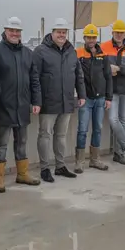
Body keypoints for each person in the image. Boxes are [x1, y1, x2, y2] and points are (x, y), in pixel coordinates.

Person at [0, 16, 42, 192]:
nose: (15, 33)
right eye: (12, 30)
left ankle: (22, 174)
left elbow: (34, 79)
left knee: (22, 142)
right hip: (4, 105)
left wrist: (36, 100)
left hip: (23, 105)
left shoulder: (27, 53)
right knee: (2, 142)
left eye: (17, 31)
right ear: (6, 31)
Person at [33, 18, 86, 183]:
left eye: (64, 32)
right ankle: (44, 168)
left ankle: (60, 166)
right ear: (52, 33)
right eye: (59, 32)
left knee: (61, 136)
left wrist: (82, 95)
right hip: (48, 102)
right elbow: (34, 77)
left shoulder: (72, 51)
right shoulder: (40, 51)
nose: (61, 35)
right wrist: (36, 101)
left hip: (67, 101)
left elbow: (78, 75)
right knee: (45, 135)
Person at [100, 20, 125, 165]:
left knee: (124, 121)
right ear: (113, 33)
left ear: (124, 34)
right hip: (111, 91)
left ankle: (118, 153)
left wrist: (119, 69)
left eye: (122, 33)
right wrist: (108, 70)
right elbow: (99, 66)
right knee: (113, 120)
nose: (119, 35)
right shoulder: (104, 47)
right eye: (117, 32)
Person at [75, 24, 111, 172]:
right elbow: (76, 77)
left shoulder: (103, 55)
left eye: (93, 37)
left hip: (100, 98)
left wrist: (108, 97)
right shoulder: (78, 54)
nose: (91, 40)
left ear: (97, 38)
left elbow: (108, 77)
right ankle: (80, 161)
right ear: (84, 38)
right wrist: (80, 95)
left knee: (98, 129)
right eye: (89, 37)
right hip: (86, 99)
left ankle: (95, 159)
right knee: (82, 130)